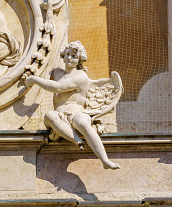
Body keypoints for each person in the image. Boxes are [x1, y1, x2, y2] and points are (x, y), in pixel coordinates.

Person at [25, 41, 120, 170]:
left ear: (80, 60)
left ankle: (105, 160)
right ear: (63, 54)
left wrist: (34, 79)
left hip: (77, 113)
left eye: (74, 56)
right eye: (67, 54)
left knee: (82, 122)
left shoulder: (81, 76)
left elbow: (58, 87)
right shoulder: (57, 72)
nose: (69, 58)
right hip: (59, 115)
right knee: (49, 116)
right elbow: (47, 75)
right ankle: (76, 140)